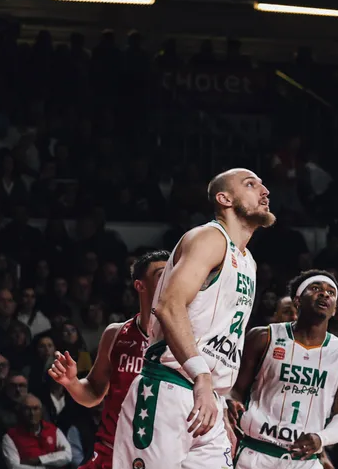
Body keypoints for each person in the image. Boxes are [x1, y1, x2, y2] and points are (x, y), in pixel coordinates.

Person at [112, 168, 274, 469]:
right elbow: (169, 306)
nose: (265, 192)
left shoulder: (248, 261)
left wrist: (218, 400)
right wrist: (201, 376)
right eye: (251, 185)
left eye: (263, 186)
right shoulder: (209, 238)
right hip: (170, 387)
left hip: (206, 398)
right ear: (224, 198)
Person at [47, 250, 169, 469]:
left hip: (161, 454)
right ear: (140, 286)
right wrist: (71, 382)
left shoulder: (190, 337)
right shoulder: (116, 334)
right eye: (162, 273)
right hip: (113, 451)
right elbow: (94, 393)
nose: (171, 277)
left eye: (173, 272)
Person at [228, 270, 338, 468]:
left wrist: (321, 438)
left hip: (305, 461)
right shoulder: (263, 337)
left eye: (331, 293)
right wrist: (231, 401)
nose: (325, 294)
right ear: (297, 301)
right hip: (256, 452)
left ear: (334, 310)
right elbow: (235, 388)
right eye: (316, 289)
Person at [2, 394, 72, 469]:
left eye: (35, 409)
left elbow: (68, 456)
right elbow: (14, 467)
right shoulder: (10, 437)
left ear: (41, 411)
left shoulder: (53, 430)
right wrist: (54, 460)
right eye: (27, 409)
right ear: (20, 412)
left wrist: (38, 460)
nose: (32, 413)